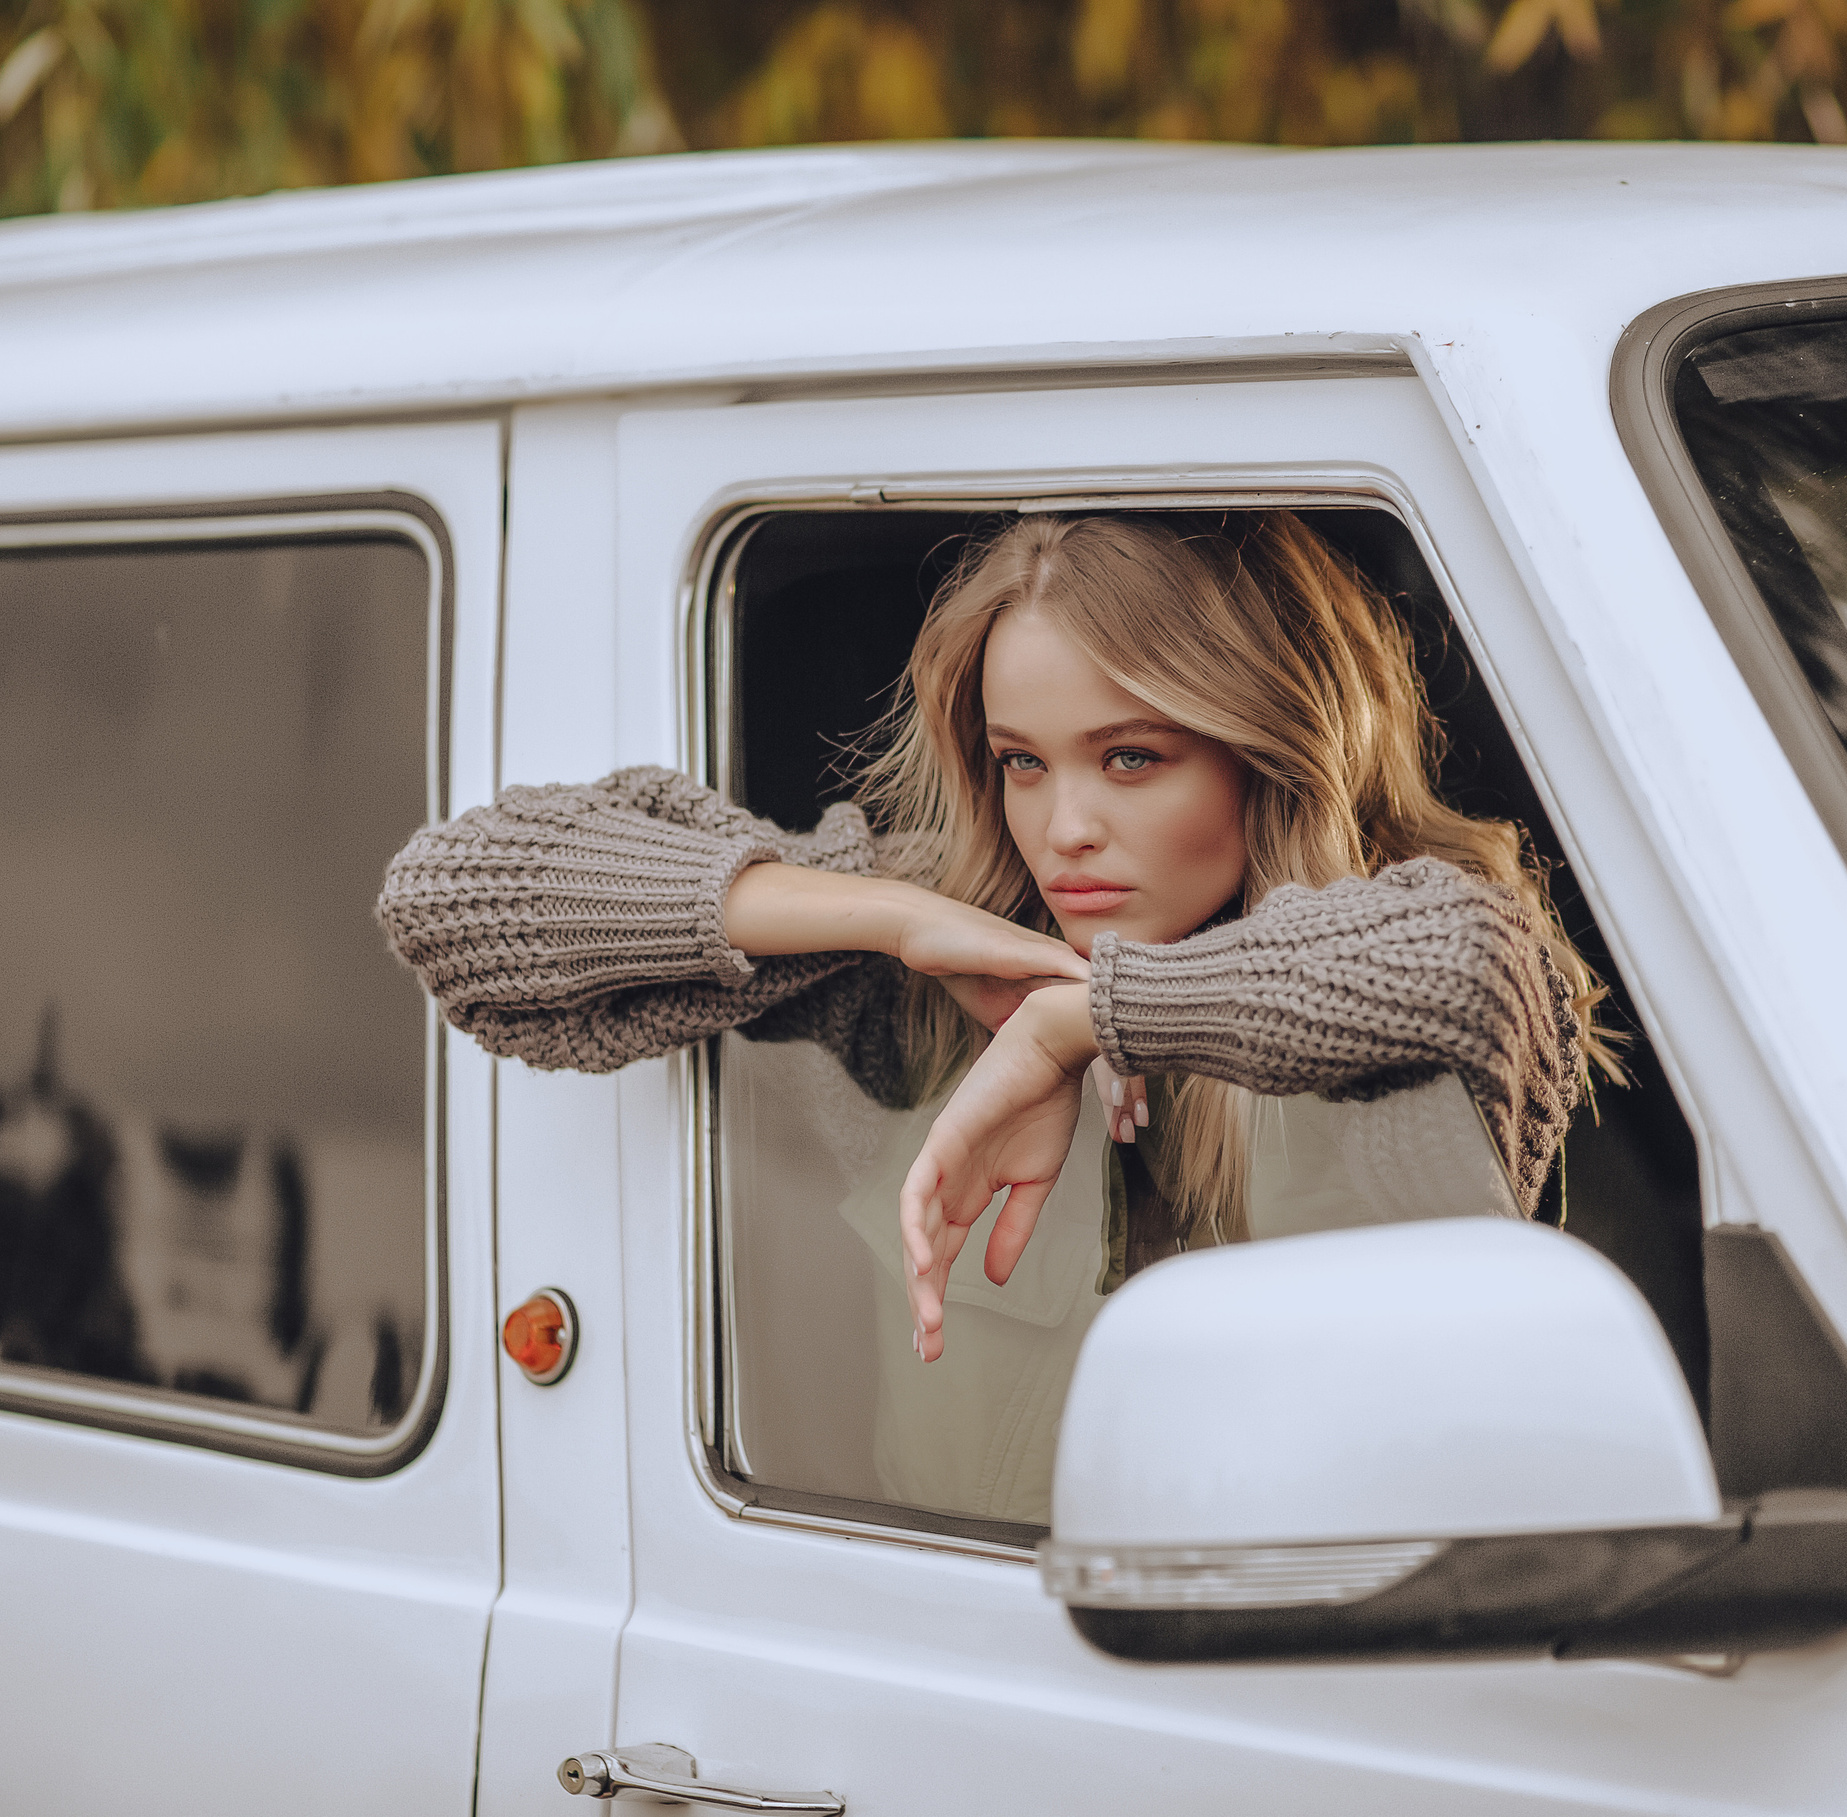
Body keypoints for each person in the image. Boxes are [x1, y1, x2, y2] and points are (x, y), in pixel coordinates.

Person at [377, 510, 1613, 1516]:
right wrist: (893, 918)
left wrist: (1090, 1019)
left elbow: (1471, 958)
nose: (1063, 826)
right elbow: (458, 901)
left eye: (1132, 757)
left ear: (1270, 750)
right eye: (1024, 761)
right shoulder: (948, 965)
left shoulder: (1416, 954)